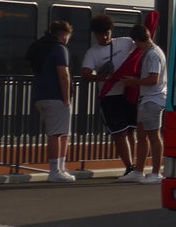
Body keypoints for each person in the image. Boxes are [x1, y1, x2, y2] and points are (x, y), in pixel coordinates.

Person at [81, 15, 141, 182]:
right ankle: (129, 166)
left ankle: (134, 166)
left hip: (128, 92)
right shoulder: (92, 52)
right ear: (95, 34)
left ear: (111, 31)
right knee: (119, 133)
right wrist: (100, 78)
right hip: (110, 97)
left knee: (130, 130)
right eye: (101, 34)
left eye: (107, 33)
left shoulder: (126, 42)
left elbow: (141, 48)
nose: (105, 37)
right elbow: (85, 74)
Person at [120, 23, 166, 184]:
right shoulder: (152, 52)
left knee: (154, 135)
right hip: (147, 99)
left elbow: (153, 79)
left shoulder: (153, 54)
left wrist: (134, 81)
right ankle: (138, 170)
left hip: (153, 99)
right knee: (142, 135)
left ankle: (156, 173)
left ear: (137, 40)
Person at [30, 20, 76, 182]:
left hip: (39, 96)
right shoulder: (59, 49)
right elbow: (63, 75)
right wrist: (66, 99)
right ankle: (56, 170)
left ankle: (60, 169)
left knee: (59, 132)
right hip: (56, 97)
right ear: (64, 34)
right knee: (58, 134)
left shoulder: (42, 47)